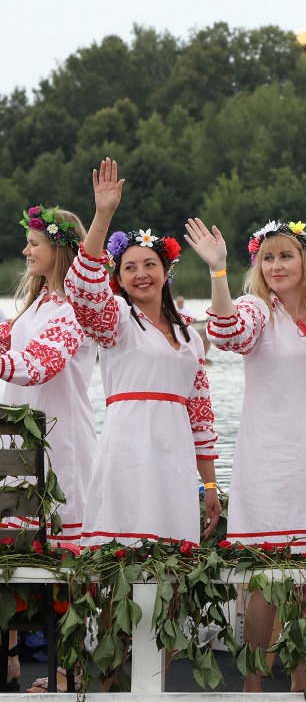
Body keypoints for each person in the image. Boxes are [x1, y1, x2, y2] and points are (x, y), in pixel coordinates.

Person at [184, 217, 306, 693]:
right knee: (265, 579)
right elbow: (227, 334)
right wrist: (218, 272)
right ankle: (253, 686)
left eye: (286, 255)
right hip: (267, 459)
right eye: (267, 257)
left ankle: (302, 684)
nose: (276, 265)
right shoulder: (256, 310)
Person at [63, 158, 221, 544]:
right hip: (129, 449)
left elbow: (200, 414)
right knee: (120, 560)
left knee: (172, 564)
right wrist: (102, 216)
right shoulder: (115, 317)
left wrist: (211, 485)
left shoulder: (189, 335)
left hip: (176, 455)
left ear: (167, 273)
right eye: (129, 267)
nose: (141, 274)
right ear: (116, 278)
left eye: (150, 264)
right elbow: (82, 292)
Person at [1, 206, 96, 693]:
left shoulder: (73, 311)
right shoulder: (34, 308)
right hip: (17, 450)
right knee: (15, 555)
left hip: (61, 446)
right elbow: (10, 345)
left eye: (33, 243)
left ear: (57, 248)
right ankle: (14, 659)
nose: (25, 250)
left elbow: (40, 362)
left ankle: (69, 670)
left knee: (64, 564)